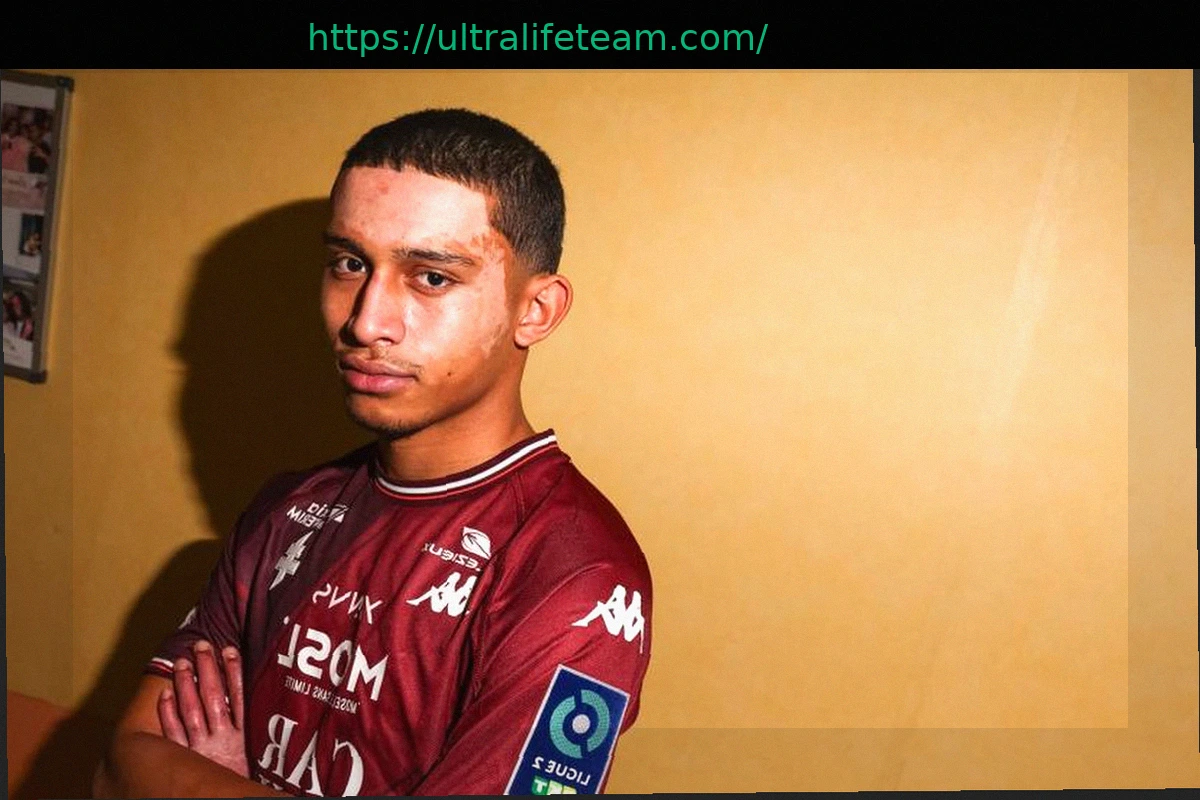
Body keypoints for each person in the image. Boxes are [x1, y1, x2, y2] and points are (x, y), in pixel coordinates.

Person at [93, 108, 653, 797]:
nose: (365, 322)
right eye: (350, 264)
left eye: (432, 277)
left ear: (534, 311)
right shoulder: (288, 507)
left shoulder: (578, 575)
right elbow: (119, 769)